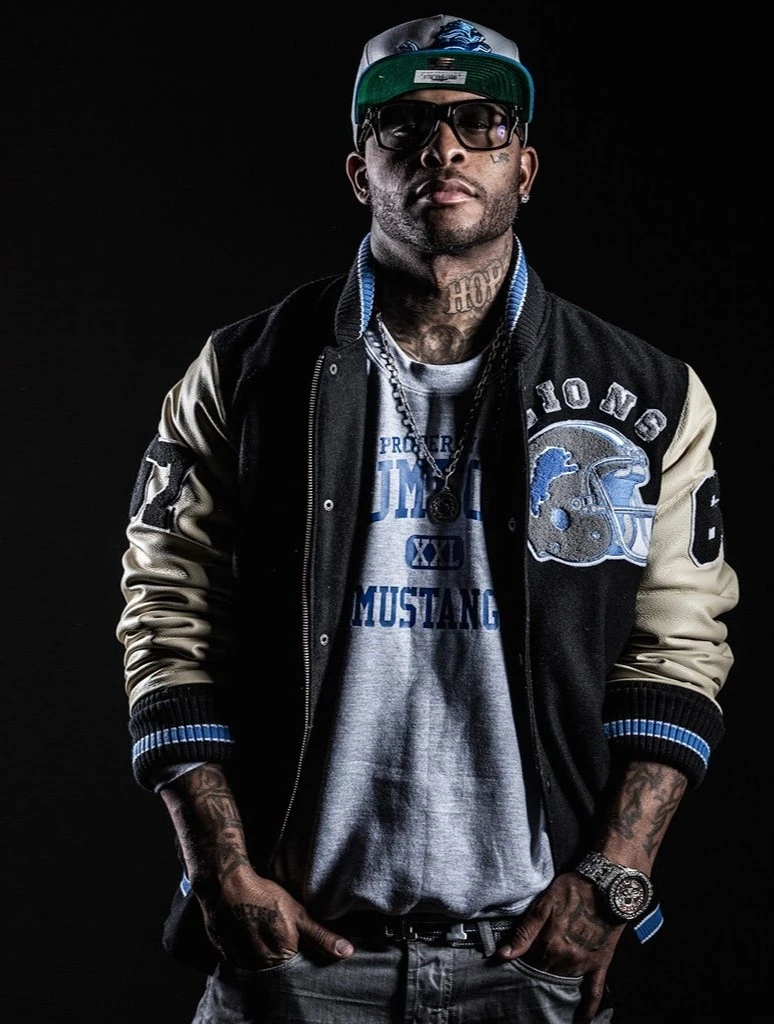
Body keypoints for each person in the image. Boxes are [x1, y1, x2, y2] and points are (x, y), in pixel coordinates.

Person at [116, 13, 739, 1024]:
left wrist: (615, 879)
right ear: (359, 171)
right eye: (403, 124)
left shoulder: (647, 393)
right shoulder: (244, 373)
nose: (442, 148)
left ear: (524, 167)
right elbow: (165, 611)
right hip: (295, 955)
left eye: (480, 122)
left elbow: (679, 647)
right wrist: (218, 869)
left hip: (530, 956)